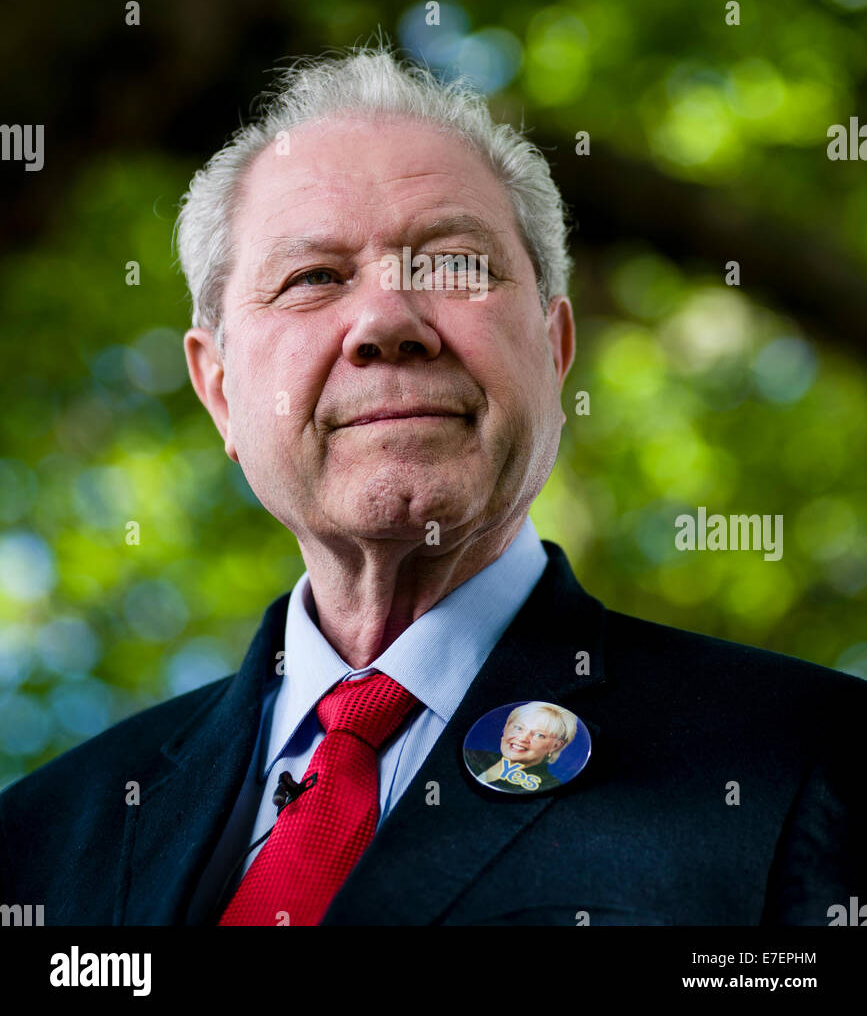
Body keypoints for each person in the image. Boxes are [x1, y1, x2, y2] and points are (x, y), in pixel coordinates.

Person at [0, 46, 863, 927]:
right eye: (313, 278)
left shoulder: (813, 764)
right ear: (218, 388)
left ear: (556, 351)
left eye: (453, 265)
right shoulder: (34, 845)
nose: (385, 322)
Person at [466, 702, 578, 793]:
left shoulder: (549, 784)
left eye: (539, 735)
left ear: (555, 746)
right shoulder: (471, 754)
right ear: (506, 728)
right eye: (519, 728)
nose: (522, 738)